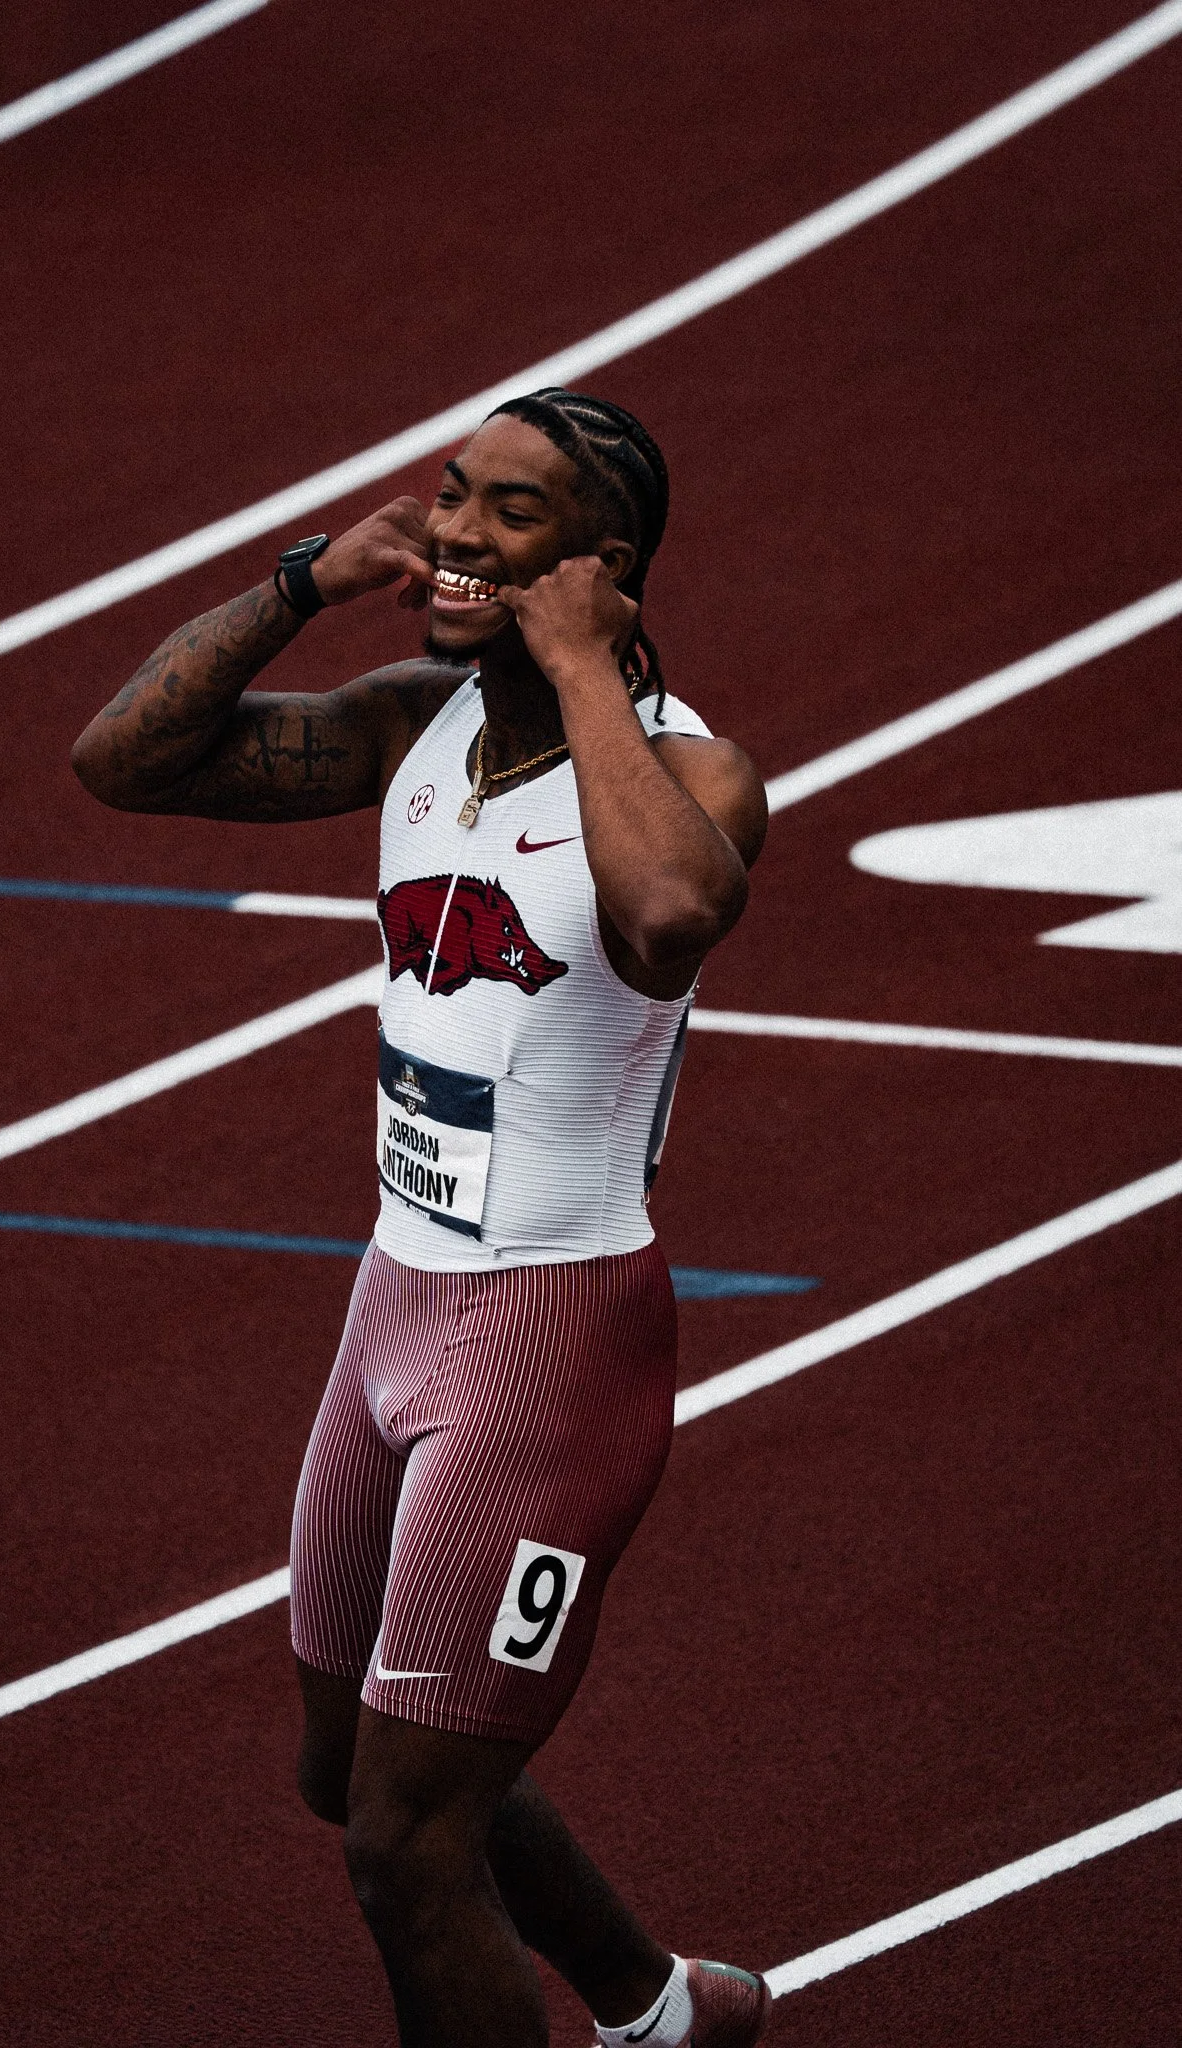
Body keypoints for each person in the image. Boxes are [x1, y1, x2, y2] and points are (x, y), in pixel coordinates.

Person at [72, 389, 771, 2047]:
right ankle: (665, 2014)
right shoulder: (412, 723)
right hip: (393, 1303)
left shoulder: (693, 773)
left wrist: (587, 660)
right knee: (350, 1771)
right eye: (450, 494)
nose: (453, 530)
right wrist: (310, 579)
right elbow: (125, 762)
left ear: (601, 566)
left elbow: (672, 918)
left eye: (506, 514)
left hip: (556, 1338)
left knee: (407, 1836)